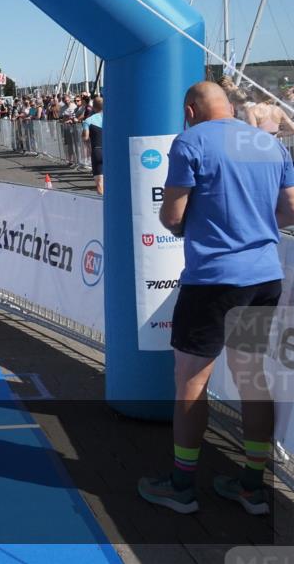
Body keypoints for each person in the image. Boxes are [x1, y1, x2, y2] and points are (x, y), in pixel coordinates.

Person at [138, 81, 294, 517]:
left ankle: (183, 486)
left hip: (212, 281)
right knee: (251, 377)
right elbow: (290, 211)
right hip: (264, 277)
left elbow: (172, 215)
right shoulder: (269, 144)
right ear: (229, 106)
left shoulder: (190, 142)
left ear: (190, 110)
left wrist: (192, 227)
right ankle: (251, 486)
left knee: (190, 380)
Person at [81, 96, 104, 195]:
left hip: (97, 150)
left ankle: (102, 204)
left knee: (99, 183)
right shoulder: (113, 119)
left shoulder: (88, 120)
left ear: (93, 107)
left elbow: (85, 137)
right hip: (111, 151)